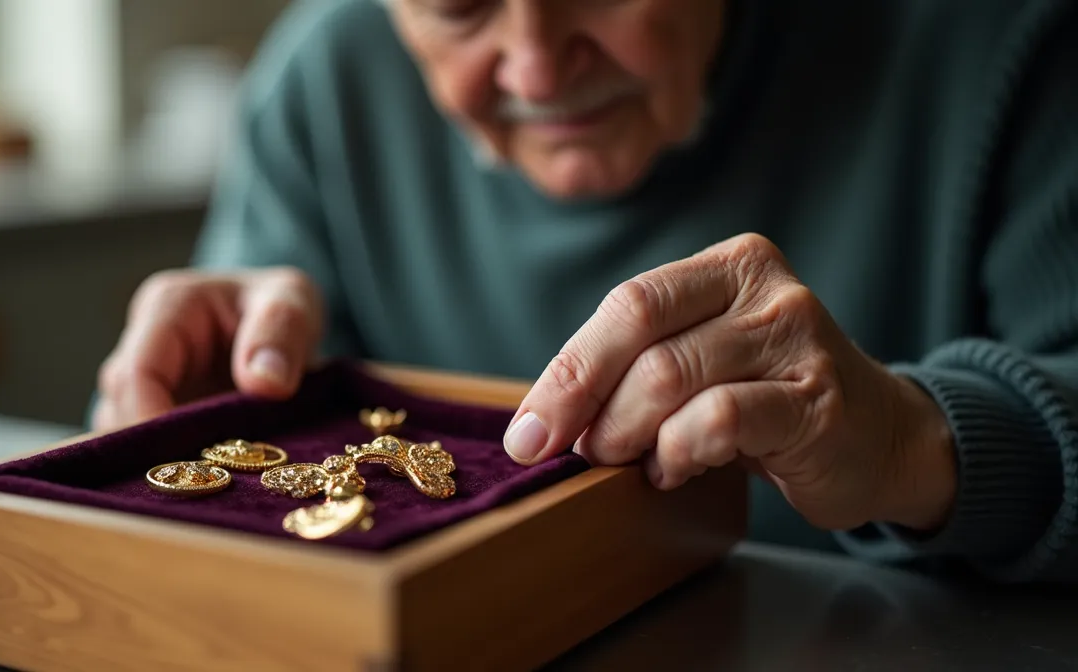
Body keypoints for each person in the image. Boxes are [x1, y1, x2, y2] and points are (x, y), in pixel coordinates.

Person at [93, 0, 1078, 584]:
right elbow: (224, 432)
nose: (533, 66)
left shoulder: (1010, 44)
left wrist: (914, 444)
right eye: (459, 6)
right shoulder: (321, 81)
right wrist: (189, 417)